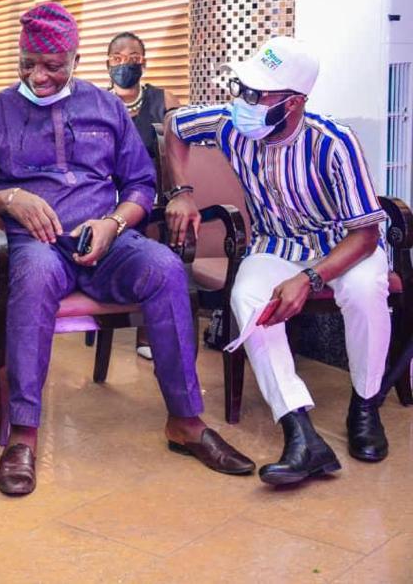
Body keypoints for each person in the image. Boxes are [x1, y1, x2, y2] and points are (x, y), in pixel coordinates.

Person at [0, 2, 254, 497]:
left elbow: (139, 183)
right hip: (35, 246)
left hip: (105, 238)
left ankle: (186, 420)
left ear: (75, 57)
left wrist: (115, 223)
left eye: (52, 65)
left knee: (164, 269)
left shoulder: (105, 106)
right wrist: (10, 197)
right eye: (27, 62)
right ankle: (23, 433)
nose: (38, 75)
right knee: (30, 280)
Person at [164, 36, 390, 485]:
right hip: (276, 242)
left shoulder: (334, 144)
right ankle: (300, 431)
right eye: (242, 88)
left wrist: (310, 277)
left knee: (365, 291)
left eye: (257, 93)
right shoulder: (229, 123)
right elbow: (173, 125)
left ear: (294, 103)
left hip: (340, 243)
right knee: (248, 295)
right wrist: (182, 192)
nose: (243, 101)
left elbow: (365, 235)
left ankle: (365, 407)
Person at [105, 32, 182, 362]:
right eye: (118, 58)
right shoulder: (97, 101)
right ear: (107, 64)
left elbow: (180, 150)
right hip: (108, 193)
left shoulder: (165, 99)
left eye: (133, 57)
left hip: (153, 191)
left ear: (144, 62)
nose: (125, 63)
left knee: (153, 222)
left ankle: (150, 329)